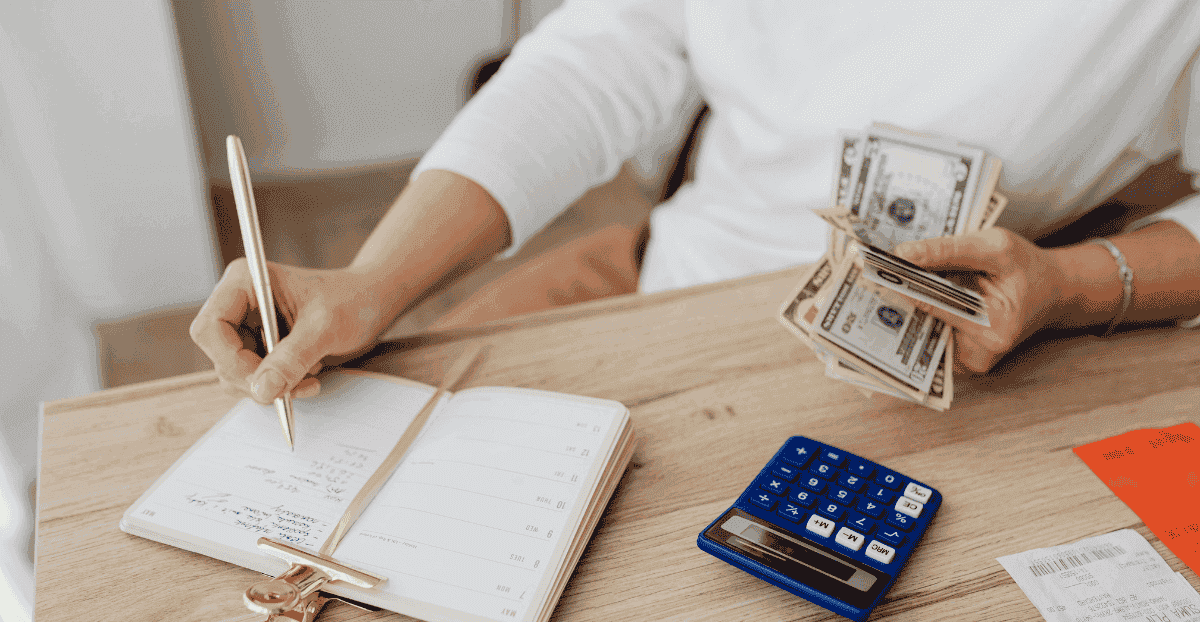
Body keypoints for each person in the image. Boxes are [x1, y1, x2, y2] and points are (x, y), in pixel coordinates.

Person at [192, 0, 1200, 403]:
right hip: (662, 280)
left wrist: (1068, 286)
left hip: (945, 369)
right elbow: (608, 53)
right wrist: (376, 279)